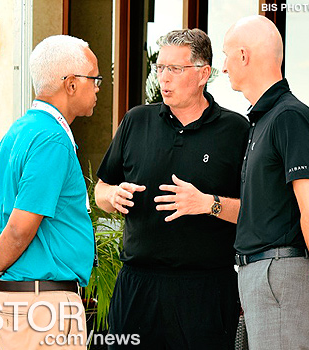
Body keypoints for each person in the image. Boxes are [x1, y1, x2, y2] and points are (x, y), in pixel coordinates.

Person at [95, 28, 249, 349]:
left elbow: (255, 212)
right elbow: (100, 190)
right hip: (136, 286)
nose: (163, 78)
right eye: (159, 67)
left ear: (203, 74)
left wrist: (208, 203)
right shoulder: (136, 120)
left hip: (205, 291)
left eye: (175, 69)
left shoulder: (236, 130)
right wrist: (112, 195)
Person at [0, 35, 99, 350]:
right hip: (43, 307)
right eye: (94, 78)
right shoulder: (51, 139)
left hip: (17, 303)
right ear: (71, 84)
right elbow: (18, 228)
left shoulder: (16, 132)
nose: (98, 86)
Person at [220, 16, 309, 349]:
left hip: (277, 275)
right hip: (268, 276)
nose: (223, 68)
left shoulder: (288, 118)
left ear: (243, 55)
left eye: (226, 56)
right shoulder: (264, 120)